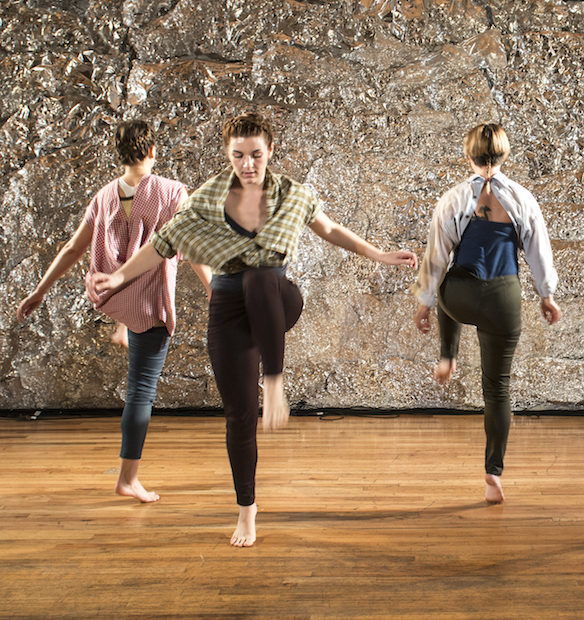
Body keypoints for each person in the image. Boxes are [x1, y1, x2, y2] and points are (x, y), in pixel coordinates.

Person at [88, 113, 418, 547]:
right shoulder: (206, 198)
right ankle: (247, 511)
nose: (248, 164)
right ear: (228, 155)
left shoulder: (291, 195)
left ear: (270, 152)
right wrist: (118, 278)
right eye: (238, 156)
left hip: (278, 298)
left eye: (256, 155)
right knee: (239, 417)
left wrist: (380, 254)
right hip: (228, 309)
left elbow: (332, 229)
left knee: (261, 274)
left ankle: (274, 380)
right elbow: (162, 244)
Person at [16, 119, 211, 503]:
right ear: (152, 151)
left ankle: (123, 328)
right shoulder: (172, 193)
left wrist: (40, 291)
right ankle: (128, 478)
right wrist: (213, 290)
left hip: (110, 294)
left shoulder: (104, 196)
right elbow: (192, 246)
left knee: (131, 326)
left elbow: (73, 250)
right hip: (147, 300)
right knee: (141, 391)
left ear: (119, 154)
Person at [412, 123, 562, 505]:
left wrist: (426, 303)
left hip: (460, 298)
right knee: (498, 389)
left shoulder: (453, 199)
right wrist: (547, 296)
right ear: (504, 155)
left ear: (469, 157)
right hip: (503, 299)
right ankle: (493, 473)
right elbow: (538, 252)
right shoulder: (523, 200)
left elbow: (436, 256)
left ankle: (448, 355)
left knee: (449, 280)